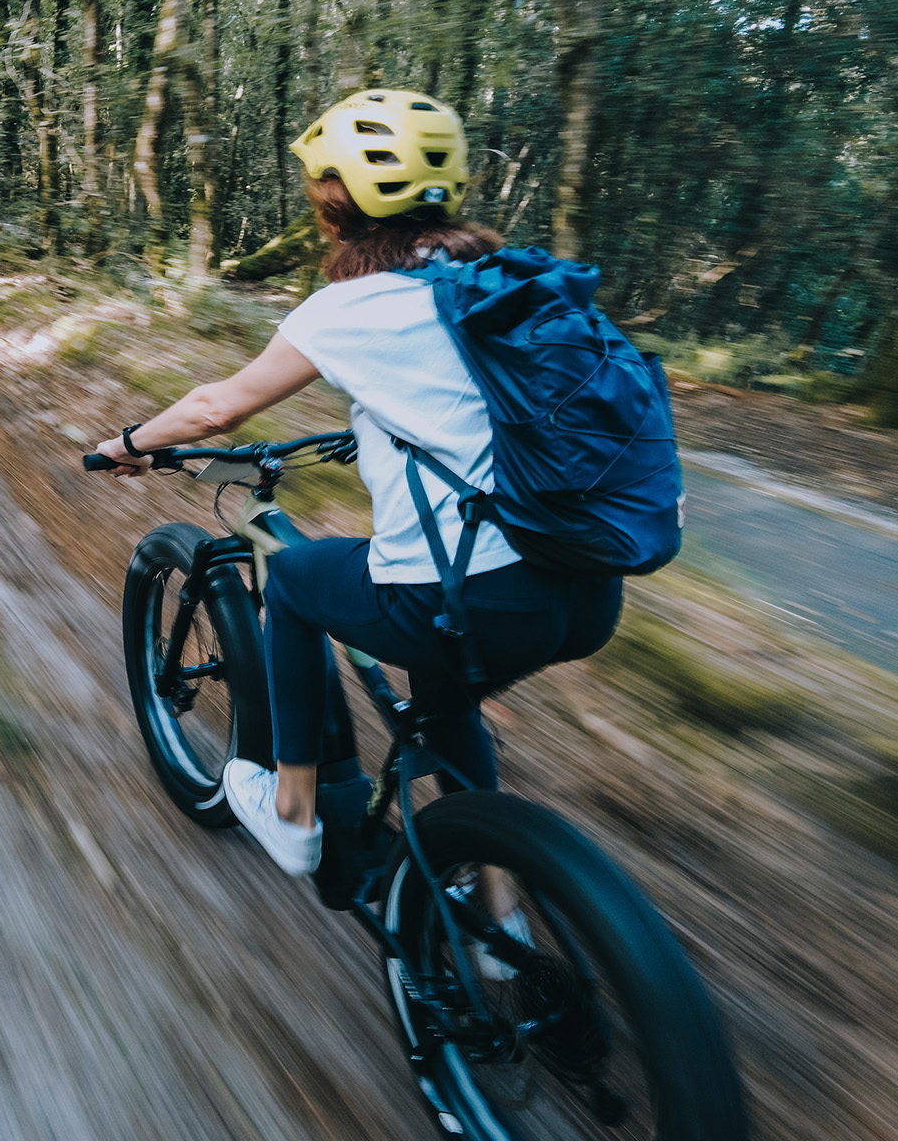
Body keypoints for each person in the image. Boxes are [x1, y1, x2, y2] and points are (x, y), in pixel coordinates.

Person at [93, 89, 624, 884]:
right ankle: (493, 900)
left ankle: (294, 815)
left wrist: (128, 444)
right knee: (446, 696)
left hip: (479, 595)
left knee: (300, 583)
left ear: (342, 199)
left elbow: (215, 408)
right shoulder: (506, 281)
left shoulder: (352, 305)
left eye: (322, 190)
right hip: (587, 590)